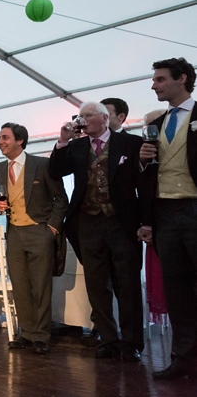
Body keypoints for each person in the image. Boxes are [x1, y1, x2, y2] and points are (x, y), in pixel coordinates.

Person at [49, 101, 147, 361]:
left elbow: (144, 184)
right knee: (96, 283)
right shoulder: (78, 146)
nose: (81, 120)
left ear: (104, 118)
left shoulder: (130, 143)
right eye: (79, 116)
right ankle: (108, 338)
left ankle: (131, 342)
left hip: (121, 223)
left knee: (127, 283)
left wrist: (145, 221)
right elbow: (56, 171)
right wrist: (62, 141)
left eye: (86, 116)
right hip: (88, 222)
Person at [140, 58, 197, 380]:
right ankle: (184, 360)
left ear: (182, 79)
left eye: (160, 79)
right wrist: (144, 161)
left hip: (195, 207)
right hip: (166, 214)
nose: (153, 85)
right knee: (177, 292)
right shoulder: (158, 124)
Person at [0, 123, 68, 354]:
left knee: (41, 286)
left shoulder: (42, 164)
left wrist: (51, 230)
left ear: (20, 141)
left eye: (5, 137)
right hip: (14, 232)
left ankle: (41, 335)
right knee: (20, 285)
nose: (0, 142)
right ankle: (26, 333)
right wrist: (0, 206)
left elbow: (61, 199)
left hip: (39, 231)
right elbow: (3, 198)